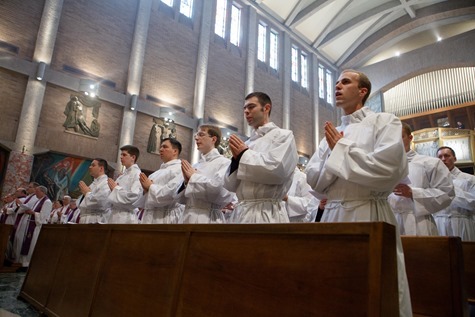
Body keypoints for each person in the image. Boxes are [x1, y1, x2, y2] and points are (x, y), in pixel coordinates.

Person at [305, 69, 412, 317]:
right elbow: (314, 180)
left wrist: (340, 151)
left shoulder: (384, 121)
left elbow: (388, 168)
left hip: (368, 211)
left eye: (345, 82)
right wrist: (337, 153)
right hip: (332, 215)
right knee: (334, 287)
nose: (337, 86)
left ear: (362, 91)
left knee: (372, 288)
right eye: (336, 83)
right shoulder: (330, 134)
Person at [224, 92, 298, 223]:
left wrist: (244, 155)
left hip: (268, 213)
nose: (246, 111)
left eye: (251, 107)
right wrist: (235, 162)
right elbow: (230, 185)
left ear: (266, 108)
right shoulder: (246, 143)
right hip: (241, 212)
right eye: (244, 108)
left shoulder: (283, 136)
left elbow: (277, 171)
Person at [387, 123, 454, 235]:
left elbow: (447, 193)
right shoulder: (384, 165)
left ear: (410, 137)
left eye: (400, 136)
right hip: (391, 221)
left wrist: (413, 193)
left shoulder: (430, 163)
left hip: (419, 222)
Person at [179, 125, 236, 223]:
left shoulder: (225, 163)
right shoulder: (196, 165)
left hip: (208, 217)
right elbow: (180, 200)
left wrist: (194, 177)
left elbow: (220, 192)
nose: (196, 138)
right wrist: (186, 182)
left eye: (201, 135)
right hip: (187, 216)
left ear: (213, 139)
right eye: (196, 135)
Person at [137, 138, 184, 224]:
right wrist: (145, 190)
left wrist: (150, 187)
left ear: (175, 151)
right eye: (161, 147)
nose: (161, 149)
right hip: (149, 216)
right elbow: (144, 198)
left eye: (165, 147)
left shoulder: (180, 169)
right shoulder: (156, 173)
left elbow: (172, 193)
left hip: (166, 217)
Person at [434, 146, 475, 241]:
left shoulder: (470, 179)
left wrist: (450, 191)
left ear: (455, 158)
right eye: (440, 157)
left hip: (462, 222)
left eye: (447, 156)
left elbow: (473, 202)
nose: (443, 159)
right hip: (439, 223)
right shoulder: (433, 181)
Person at [19, 185, 52, 270]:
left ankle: (29, 264)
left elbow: (43, 217)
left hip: (37, 227)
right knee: (28, 244)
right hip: (31, 224)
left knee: (32, 245)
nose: (35, 193)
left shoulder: (47, 202)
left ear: (43, 192)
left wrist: (33, 213)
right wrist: (31, 212)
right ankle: (24, 264)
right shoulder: (39, 200)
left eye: (37, 191)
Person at [108, 145, 143, 224]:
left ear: (133, 157)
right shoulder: (122, 176)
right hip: (114, 214)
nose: (121, 157)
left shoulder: (137, 174)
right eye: (121, 155)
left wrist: (115, 189)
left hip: (126, 217)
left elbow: (134, 197)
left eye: (124, 155)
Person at [11, 182, 40, 264]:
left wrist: (20, 204)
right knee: (17, 238)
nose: (28, 188)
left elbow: (28, 207)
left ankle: (19, 260)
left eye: (30, 187)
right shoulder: (29, 197)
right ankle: (15, 258)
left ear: (35, 189)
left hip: (26, 219)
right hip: (22, 218)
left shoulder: (34, 198)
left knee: (21, 239)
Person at [78, 158, 112, 224]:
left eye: (93, 165)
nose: (90, 167)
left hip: (96, 219)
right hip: (85, 218)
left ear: (101, 168)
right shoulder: (93, 183)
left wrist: (87, 193)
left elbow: (100, 202)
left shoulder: (106, 183)